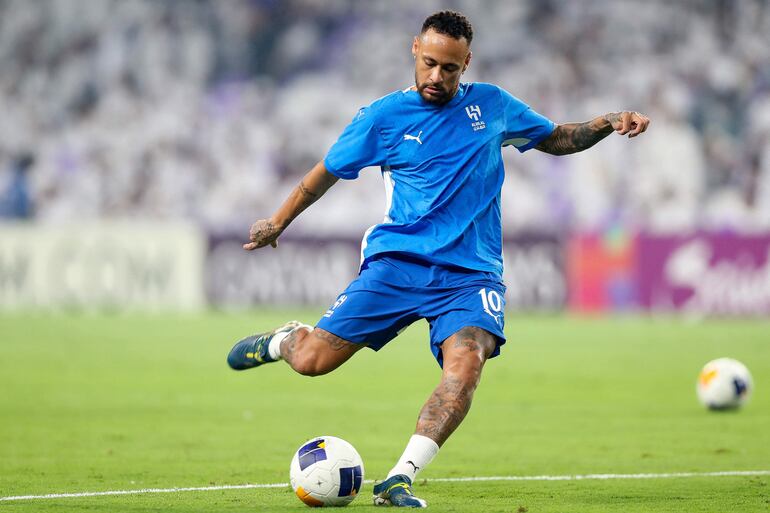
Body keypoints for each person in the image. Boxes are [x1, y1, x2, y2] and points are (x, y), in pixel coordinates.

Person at [227, 10, 649, 508]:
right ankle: (284, 341)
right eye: (429, 63)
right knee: (314, 361)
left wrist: (605, 121)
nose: (436, 77)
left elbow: (556, 137)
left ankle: (398, 478)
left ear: (466, 62)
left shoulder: (493, 106)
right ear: (414, 51)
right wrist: (278, 221)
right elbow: (324, 173)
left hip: (470, 275)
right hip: (398, 263)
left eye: (449, 68)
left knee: (466, 363)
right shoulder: (382, 118)